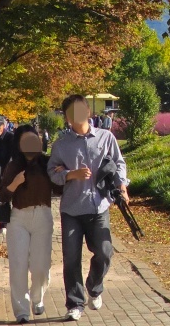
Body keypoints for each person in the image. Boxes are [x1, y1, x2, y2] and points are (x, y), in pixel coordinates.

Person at [48, 95, 129, 322]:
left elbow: (118, 163)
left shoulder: (106, 138)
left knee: (105, 252)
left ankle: (94, 286)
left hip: (99, 207)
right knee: (71, 259)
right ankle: (75, 303)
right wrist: (70, 174)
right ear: (67, 118)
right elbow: (51, 172)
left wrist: (122, 185)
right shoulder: (61, 145)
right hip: (72, 209)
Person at [0, 126, 56, 324]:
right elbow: (1, 196)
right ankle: (21, 311)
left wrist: (64, 173)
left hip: (43, 216)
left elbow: (59, 187)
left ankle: (37, 298)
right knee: (18, 266)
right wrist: (14, 183)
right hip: (19, 218)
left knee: (41, 266)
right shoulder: (14, 165)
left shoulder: (47, 163)